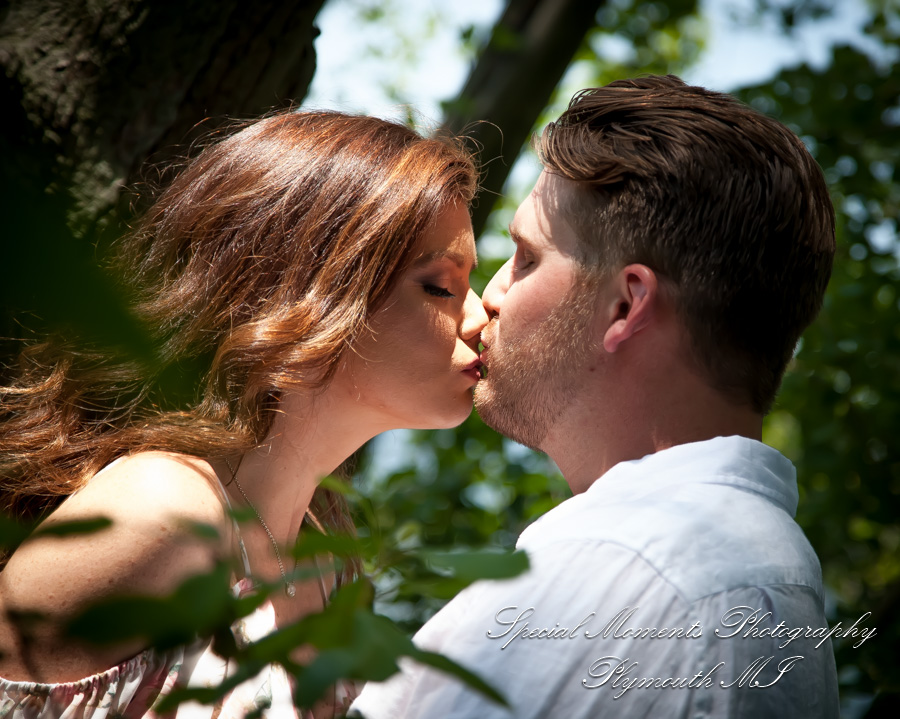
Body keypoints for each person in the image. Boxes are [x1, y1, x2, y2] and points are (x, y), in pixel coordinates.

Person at [350, 75, 841, 718]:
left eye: (526, 259)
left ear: (625, 305)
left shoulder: (618, 571)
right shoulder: (767, 572)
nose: (490, 297)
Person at [0, 110, 488, 718]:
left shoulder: (327, 559)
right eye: (441, 287)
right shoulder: (161, 511)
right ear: (306, 290)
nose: (478, 318)